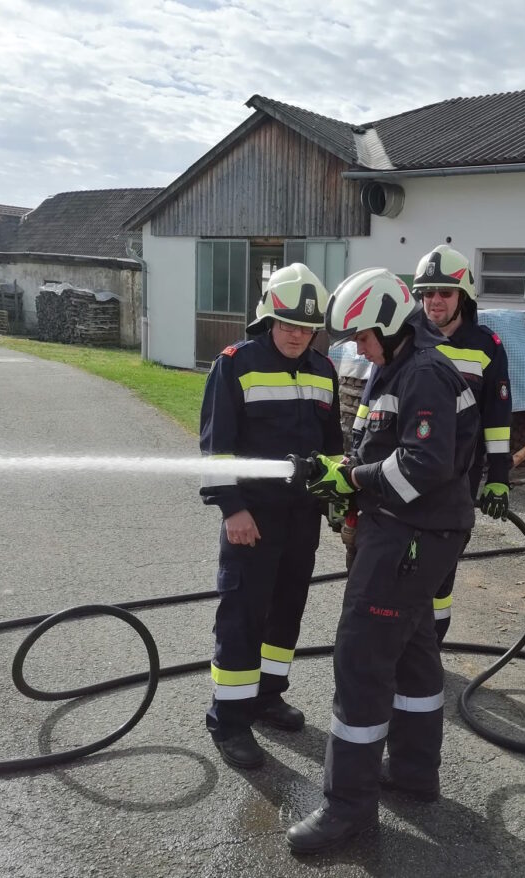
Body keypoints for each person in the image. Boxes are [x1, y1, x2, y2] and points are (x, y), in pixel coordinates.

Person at [285, 267, 480, 854]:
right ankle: (415, 773)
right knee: (414, 654)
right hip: (413, 534)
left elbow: (424, 465)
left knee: (362, 660)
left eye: (364, 337)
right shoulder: (397, 367)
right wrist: (346, 473)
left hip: (408, 536)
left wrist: (352, 480)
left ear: (391, 326)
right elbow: (384, 447)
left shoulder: (422, 374)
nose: (359, 349)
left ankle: (347, 809)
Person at [198, 263, 343, 771]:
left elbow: (332, 447)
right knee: (242, 616)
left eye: (307, 328)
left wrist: (337, 502)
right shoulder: (235, 364)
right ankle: (230, 720)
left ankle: (267, 696)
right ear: (268, 318)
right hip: (252, 518)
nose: (297, 336)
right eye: (288, 325)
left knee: (287, 609)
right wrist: (232, 508)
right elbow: (216, 448)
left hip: (302, 518)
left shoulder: (324, 370)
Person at [412, 244, 512, 641]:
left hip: (459, 479)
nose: (434, 300)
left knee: (443, 567)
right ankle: (402, 648)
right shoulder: (406, 336)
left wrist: (499, 478)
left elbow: (498, 420)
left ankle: (430, 650)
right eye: (427, 292)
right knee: (402, 565)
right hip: (407, 475)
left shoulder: (487, 346)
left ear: (463, 296)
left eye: (445, 292)